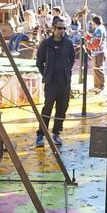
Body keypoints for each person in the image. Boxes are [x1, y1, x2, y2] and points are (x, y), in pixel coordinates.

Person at [35, 19, 75, 147]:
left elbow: (72, 60)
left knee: (62, 108)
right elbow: (39, 62)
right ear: (53, 28)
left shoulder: (68, 44)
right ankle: (41, 134)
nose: (62, 31)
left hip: (64, 82)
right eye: (59, 28)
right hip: (51, 82)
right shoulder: (46, 43)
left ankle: (57, 133)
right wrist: (46, 74)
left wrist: (66, 72)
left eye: (64, 28)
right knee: (47, 108)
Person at [86, 15, 107, 93]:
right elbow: (94, 39)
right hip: (97, 52)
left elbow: (98, 42)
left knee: (98, 69)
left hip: (99, 52)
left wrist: (90, 47)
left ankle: (100, 86)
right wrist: (88, 37)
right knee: (96, 69)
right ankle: (96, 86)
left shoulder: (99, 29)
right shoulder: (100, 29)